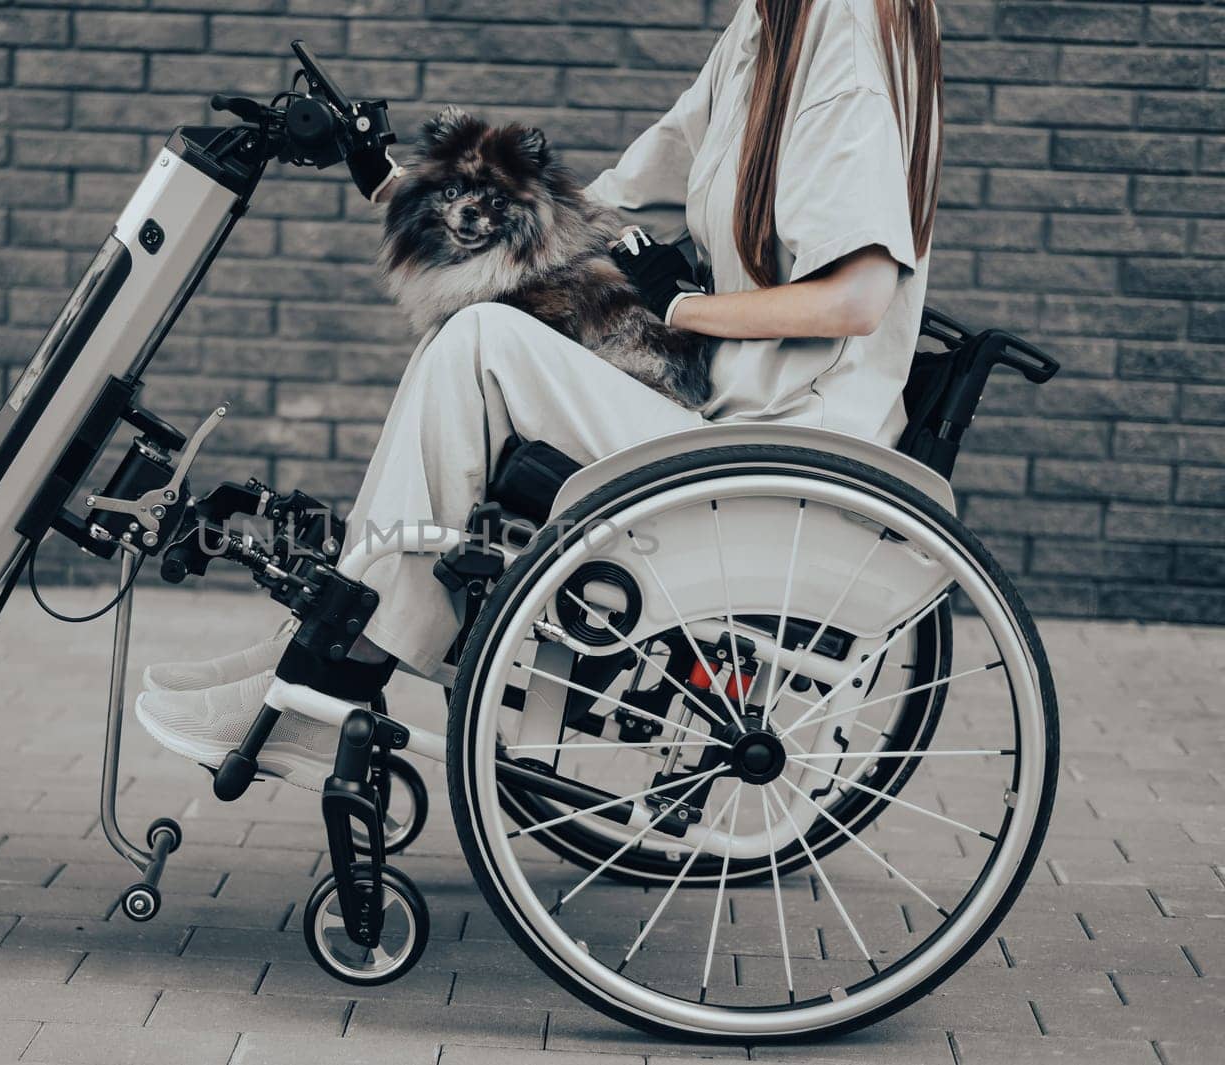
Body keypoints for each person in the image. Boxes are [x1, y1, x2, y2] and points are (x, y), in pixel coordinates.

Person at [137, 0, 945, 790]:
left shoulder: (842, 36)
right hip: (736, 418)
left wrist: (681, 307)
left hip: (783, 450)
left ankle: (330, 674)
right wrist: (406, 187)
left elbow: (856, 299)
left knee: (481, 343)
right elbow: (613, 192)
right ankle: (319, 644)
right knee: (476, 331)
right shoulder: (767, 27)